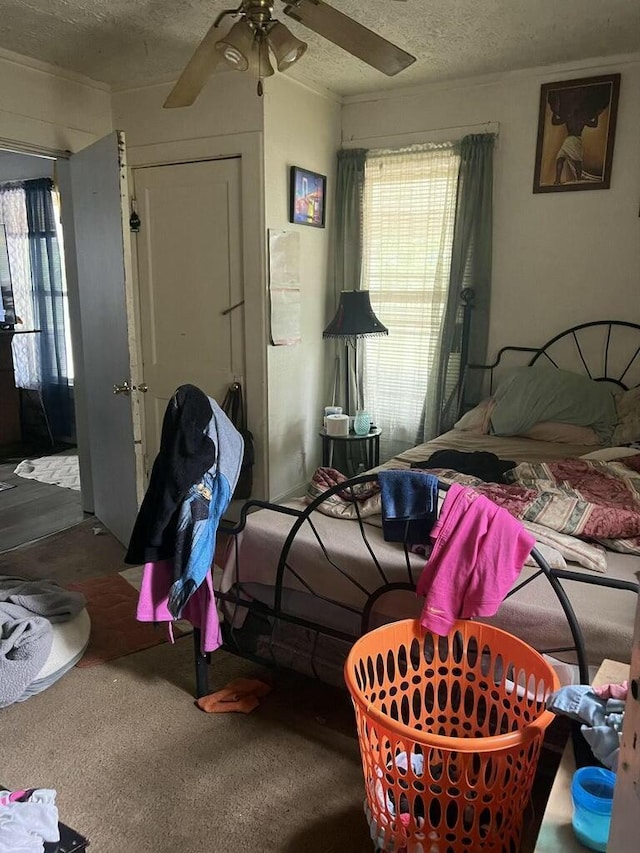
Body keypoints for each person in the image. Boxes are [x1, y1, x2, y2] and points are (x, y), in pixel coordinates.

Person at [548, 82, 611, 184]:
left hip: (573, 139)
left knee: (566, 159)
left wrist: (555, 112)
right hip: (573, 140)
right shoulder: (579, 117)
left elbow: (555, 121)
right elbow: (594, 124)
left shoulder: (571, 117)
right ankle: (565, 179)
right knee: (565, 158)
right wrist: (596, 114)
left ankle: (563, 180)